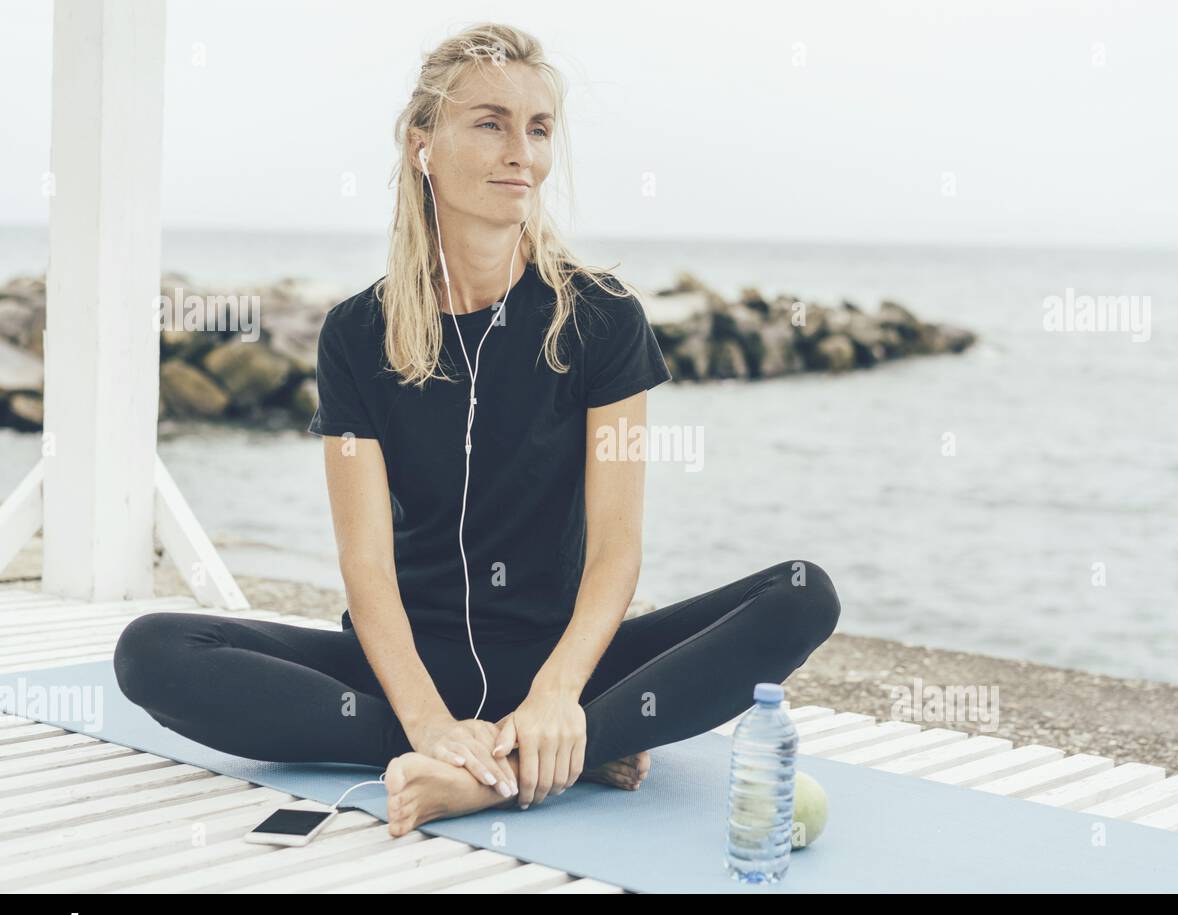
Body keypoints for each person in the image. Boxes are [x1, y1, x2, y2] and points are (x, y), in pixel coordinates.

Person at [113, 23, 840, 837]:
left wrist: (560, 693)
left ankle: (514, 764)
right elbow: (365, 561)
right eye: (490, 123)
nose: (520, 153)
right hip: (401, 676)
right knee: (151, 649)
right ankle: (553, 755)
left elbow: (615, 552)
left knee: (802, 595)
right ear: (423, 144)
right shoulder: (358, 333)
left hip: (563, 666)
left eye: (537, 129)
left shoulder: (602, 318)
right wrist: (427, 723)